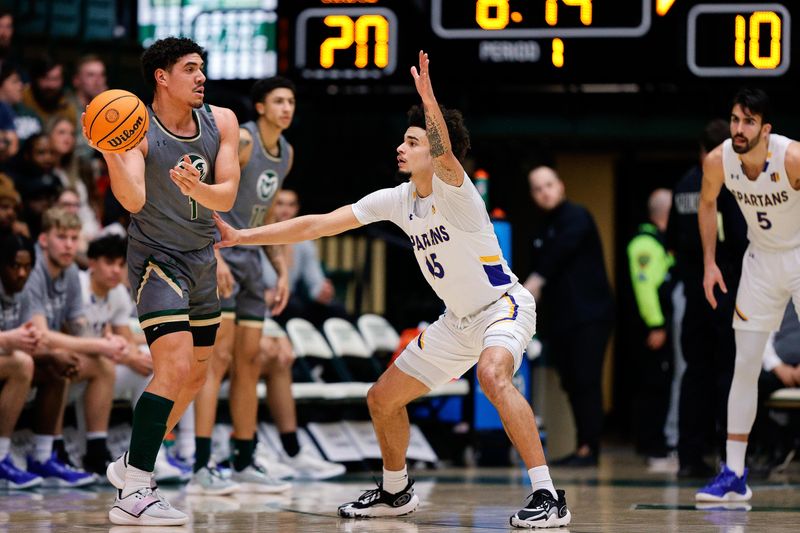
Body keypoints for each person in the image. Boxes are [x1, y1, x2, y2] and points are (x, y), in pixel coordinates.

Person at [215, 51, 571, 528]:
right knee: (381, 398)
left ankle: (547, 495)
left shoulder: (457, 192)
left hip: (501, 306)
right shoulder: (397, 200)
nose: (401, 147)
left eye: (412, 140)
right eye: (403, 139)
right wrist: (244, 236)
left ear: (435, 149)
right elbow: (319, 224)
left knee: (492, 375)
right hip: (456, 321)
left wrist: (428, 99)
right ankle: (395, 490)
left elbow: (445, 154)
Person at [87, 37, 240, 526]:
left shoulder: (224, 122)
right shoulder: (136, 128)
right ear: (162, 76)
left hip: (201, 257)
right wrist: (111, 152)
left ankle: (131, 463)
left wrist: (199, 189)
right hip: (156, 258)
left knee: (195, 374)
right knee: (172, 367)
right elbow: (132, 199)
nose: (201, 77)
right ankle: (135, 493)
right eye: (191, 69)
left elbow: (228, 194)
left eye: (202, 68)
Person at [190, 76, 296, 495]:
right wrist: (213, 255)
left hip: (251, 255)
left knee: (250, 363)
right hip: (221, 252)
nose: (287, 107)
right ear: (260, 107)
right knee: (217, 360)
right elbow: (202, 198)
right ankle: (200, 466)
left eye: (291, 101)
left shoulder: (286, 153)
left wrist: (282, 269)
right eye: (279, 101)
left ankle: (243, 459)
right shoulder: (246, 142)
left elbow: (266, 218)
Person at [696, 88, 800, 502]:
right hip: (760, 259)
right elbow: (707, 204)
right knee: (745, 364)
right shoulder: (718, 159)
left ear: (766, 129)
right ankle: (735, 475)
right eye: (736, 119)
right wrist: (709, 262)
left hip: (798, 253)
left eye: (749, 122)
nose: (739, 129)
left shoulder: (791, 157)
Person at [667, 119, 747, 478]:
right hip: (726, 289)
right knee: (729, 373)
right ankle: (729, 458)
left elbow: (671, 239)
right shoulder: (731, 181)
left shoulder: (684, 184)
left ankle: (689, 457)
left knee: (692, 374)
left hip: (691, 290)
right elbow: (743, 240)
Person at [25, 207, 126, 485]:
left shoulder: (69, 271)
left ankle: (95, 452)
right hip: (25, 348)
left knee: (102, 364)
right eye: (62, 237)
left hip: (45, 351)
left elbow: (78, 324)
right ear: (44, 240)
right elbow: (41, 335)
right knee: (63, 359)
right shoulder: (33, 269)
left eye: (73, 238)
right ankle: (50, 452)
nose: (69, 244)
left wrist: (105, 342)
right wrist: (97, 343)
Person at [525, 166, 614, 467]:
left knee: (586, 379)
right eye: (537, 188)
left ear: (560, 185)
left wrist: (536, 279)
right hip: (563, 319)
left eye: (548, 185)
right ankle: (583, 446)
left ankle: (590, 449)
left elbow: (560, 252)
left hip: (590, 315)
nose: (544, 192)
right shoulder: (541, 226)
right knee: (572, 382)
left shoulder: (577, 216)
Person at [627, 188, 676, 468]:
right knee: (653, 386)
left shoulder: (658, 242)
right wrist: (656, 325)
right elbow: (645, 288)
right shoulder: (645, 244)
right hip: (651, 329)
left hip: (658, 327)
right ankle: (652, 447)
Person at [262, 189, 350, 327]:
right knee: (292, 306)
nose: (286, 210)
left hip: (289, 299)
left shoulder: (303, 243)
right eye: (280, 204)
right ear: (271, 206)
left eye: (291, 205)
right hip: (263, 299)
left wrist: (322, 291)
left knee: (337, 310)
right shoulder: (260, 236)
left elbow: (314, 279)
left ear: (297, 208)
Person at [0, 232, 42, 489]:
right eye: (15, 266)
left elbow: (28, 335)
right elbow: (11, 342)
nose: (22, 273)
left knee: (60, 366)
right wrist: (8, 340)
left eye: (27, 267)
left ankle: (46, 454)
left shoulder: (23, 291)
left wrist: (33, 339)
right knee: (21, 364)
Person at [22, 55, 77, 126]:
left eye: (56, 79)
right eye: (45, 78)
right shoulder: (22, 98)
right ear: (35, 79)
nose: (51, 85)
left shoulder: (67, 109)